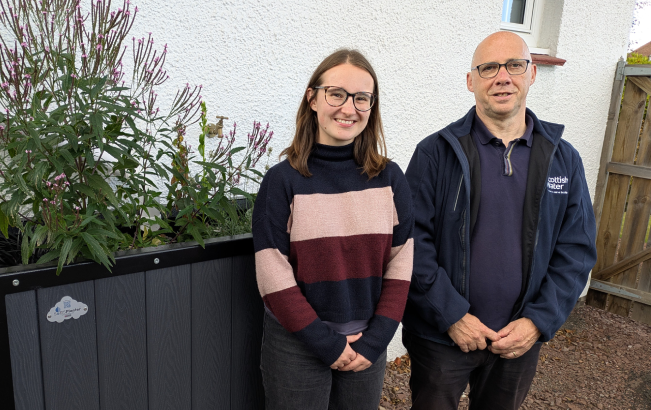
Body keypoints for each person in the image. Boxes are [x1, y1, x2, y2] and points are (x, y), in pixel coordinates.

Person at [402, 31, 597, 409]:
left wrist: (537, 322)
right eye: (489, 68)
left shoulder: (563, 159)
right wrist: (451, 314)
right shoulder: (436, 153)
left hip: (517, 340)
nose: (502, 77)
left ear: (532, 74)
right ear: (471, 81)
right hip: (443, 338)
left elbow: (576, 250)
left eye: (514, 65)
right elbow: (410, 241)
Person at [252, 49, 413, 410]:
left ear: (372, 107)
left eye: (361, 98)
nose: (348, 108)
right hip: (297, 344)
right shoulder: (282, 182)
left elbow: (401, 265)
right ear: (312, 98)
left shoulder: (390, 179)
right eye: (336, 94)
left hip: (366, 345)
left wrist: (376, 341)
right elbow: (272, 274)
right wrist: (326, 343)